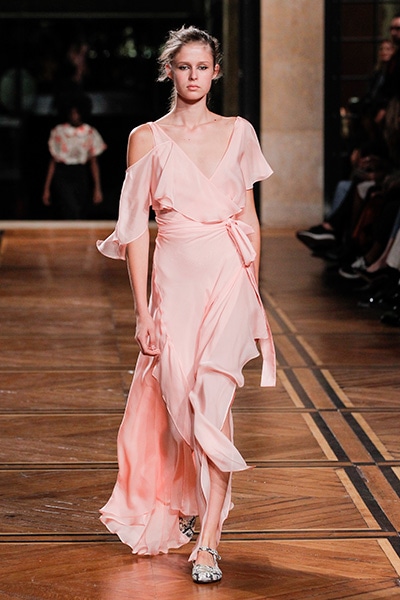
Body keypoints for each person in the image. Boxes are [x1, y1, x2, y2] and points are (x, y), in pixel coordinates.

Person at [96, 25, 275, 584]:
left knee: (212, 407)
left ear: (215, 72)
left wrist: (252, 293)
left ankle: (209, 544)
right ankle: (192, 500)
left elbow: (248, 217)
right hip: (173, 285)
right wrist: (142, 312)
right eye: (184, 66)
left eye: (203, 67)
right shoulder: (146, 138)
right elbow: (134, 231)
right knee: (180, 403)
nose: (193, 76)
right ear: (169, 72)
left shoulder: (239, 132)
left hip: (228, 278)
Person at [42, 94, 106, 219]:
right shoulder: (59, 131)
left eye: (77, 113)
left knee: (80, 207)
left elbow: (93, 162)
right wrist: (46, 188)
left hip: (80, 173)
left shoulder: (89, 132)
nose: (74, 116)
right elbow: (53, 161)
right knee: (69, 208)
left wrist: (97, 188)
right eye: (72, 113)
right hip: (63, 173)